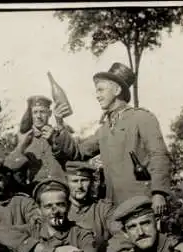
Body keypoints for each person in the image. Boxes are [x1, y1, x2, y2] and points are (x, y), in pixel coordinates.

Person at [51, 62, 171, 214]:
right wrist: (60, 124)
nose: (97, 95)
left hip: (142, 203)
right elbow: (78, 153)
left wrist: (159, 193)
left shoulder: (142, 117)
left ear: (117, 90)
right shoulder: (105, 129)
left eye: (101, 90)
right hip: (114, 206)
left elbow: (159, 155)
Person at [14, 95, 70, 192]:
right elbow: (18, 170)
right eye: (35, 112)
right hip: (37, 191)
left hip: (61, 189)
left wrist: (54, 140)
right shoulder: (24, 139)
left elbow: (69, 158)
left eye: (42, 112)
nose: (38, 116)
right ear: (31, 115)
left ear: (50, 113)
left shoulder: (59, 134)